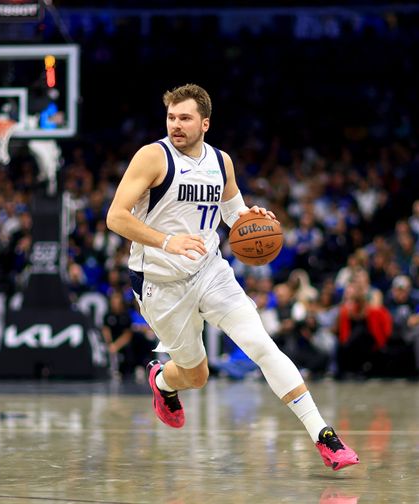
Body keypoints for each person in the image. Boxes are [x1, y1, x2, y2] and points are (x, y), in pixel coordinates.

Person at [106, 84, 359, 471]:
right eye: (171, 117)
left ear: (205, 123)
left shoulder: (221, 161)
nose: (176, 124)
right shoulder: (152, 157)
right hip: (160, 283)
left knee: (261, 344)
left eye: (185, 118)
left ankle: (324, 435)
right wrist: (166, 241)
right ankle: (162, 382)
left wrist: (251, 219)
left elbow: (232, 211)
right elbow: (116, 216)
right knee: (196, 375)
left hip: (210, 270)